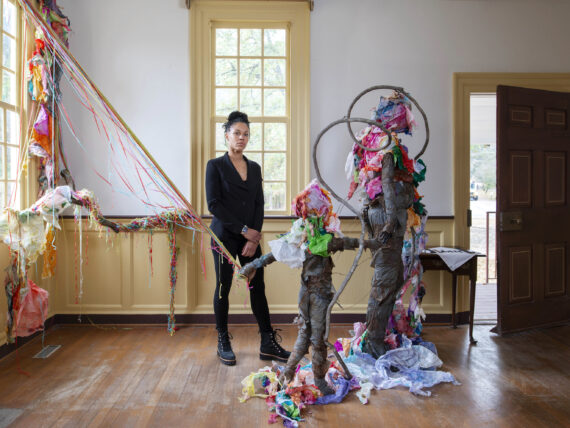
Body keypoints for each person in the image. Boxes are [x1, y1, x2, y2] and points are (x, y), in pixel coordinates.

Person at [205, 111, 290, 366]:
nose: (241, 138)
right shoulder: (215, 166)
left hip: (250, 239)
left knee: (258, 287)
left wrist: (253, 238)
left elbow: (258, 204)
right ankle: (223, 340)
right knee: (224, 286)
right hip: (224, 237)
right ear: (227, 135)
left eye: (246, 134)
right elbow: (214, 205)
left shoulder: (254, 167)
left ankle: (267, 342)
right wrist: (243, 230)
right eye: (237, 133)